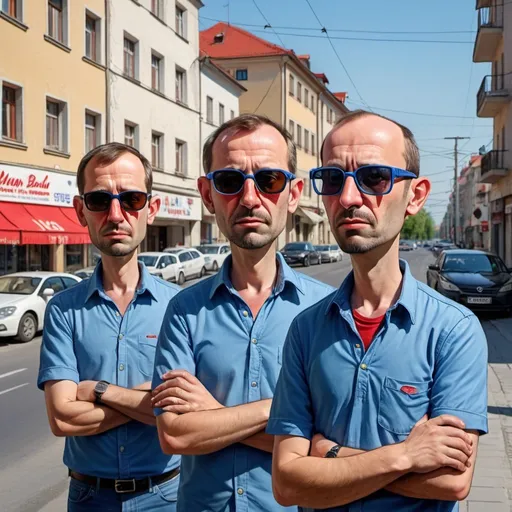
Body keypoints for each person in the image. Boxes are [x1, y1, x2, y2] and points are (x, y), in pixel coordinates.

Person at [268, 110, 488, 511]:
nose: (349, 198)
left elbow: (451, 479)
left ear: (416, 195)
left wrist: (329, 456)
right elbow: (286, 482)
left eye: (373, 177)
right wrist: (404, 456)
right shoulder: (305, 330)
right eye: (333, 179)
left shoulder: (453, 330)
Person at [150, 114, 335, 511]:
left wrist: (215, 416)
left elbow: (328, 448)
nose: (250, 198)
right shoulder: (183, 310)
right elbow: (176, 435)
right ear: (207, 193)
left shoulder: (327, 310)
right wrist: (286, 413)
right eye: (231, 182)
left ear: (294, 192)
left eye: (269, 180)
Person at [38, 143, 182, 511]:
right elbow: (62, 418)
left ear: (151, 209)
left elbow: (184, 417)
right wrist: (149, 402)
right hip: (89, 498)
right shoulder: (63, 310)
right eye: (100, 200)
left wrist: (97, 390)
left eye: (131, 199)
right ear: (80, 210)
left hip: (167, 496)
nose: (116, 214)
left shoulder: (181, 307)